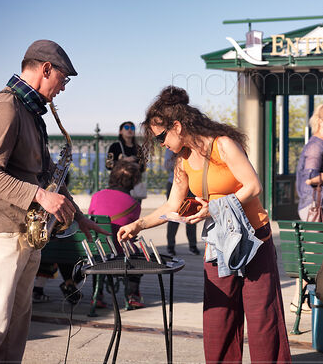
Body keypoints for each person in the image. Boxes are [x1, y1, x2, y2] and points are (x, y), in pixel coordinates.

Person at [117, 86, 291, 363]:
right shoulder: (181, 160)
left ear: (177, 126)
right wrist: (139, 225)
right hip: (219, 240)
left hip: (252, 235)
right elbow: (172, 205)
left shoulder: (223, 144)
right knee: (218, 317)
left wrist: (216, 207)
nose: (161, 143)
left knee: (262, 318)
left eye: (162, 136)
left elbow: (253, 186)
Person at [0, 40, 108, 364]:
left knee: (16, 324)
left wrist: (79, 216)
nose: (63, 88)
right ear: (46, 69)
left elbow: (46, 175)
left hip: (25, 232)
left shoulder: (31, 113)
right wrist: (41, 196)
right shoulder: (6, 107)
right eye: (64, 79)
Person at [89, 160, 145, 308]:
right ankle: (132, 295)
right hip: (121, 255)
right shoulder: (134, 205)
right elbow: (131, 233)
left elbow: (91, 221)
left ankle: (98, 295)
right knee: (138, 254)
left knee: (100, 249)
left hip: (97, 254)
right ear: (134, 181)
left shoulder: (96, 196)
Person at [164, 147, 199, 256]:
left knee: (192, 215)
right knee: (173, 216)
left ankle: (193, 245)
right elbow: (166, 166)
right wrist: (178, 158)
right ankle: (170, 246)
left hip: (191, 185)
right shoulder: (171, 147)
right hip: (174, 184)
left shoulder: (192, 147)